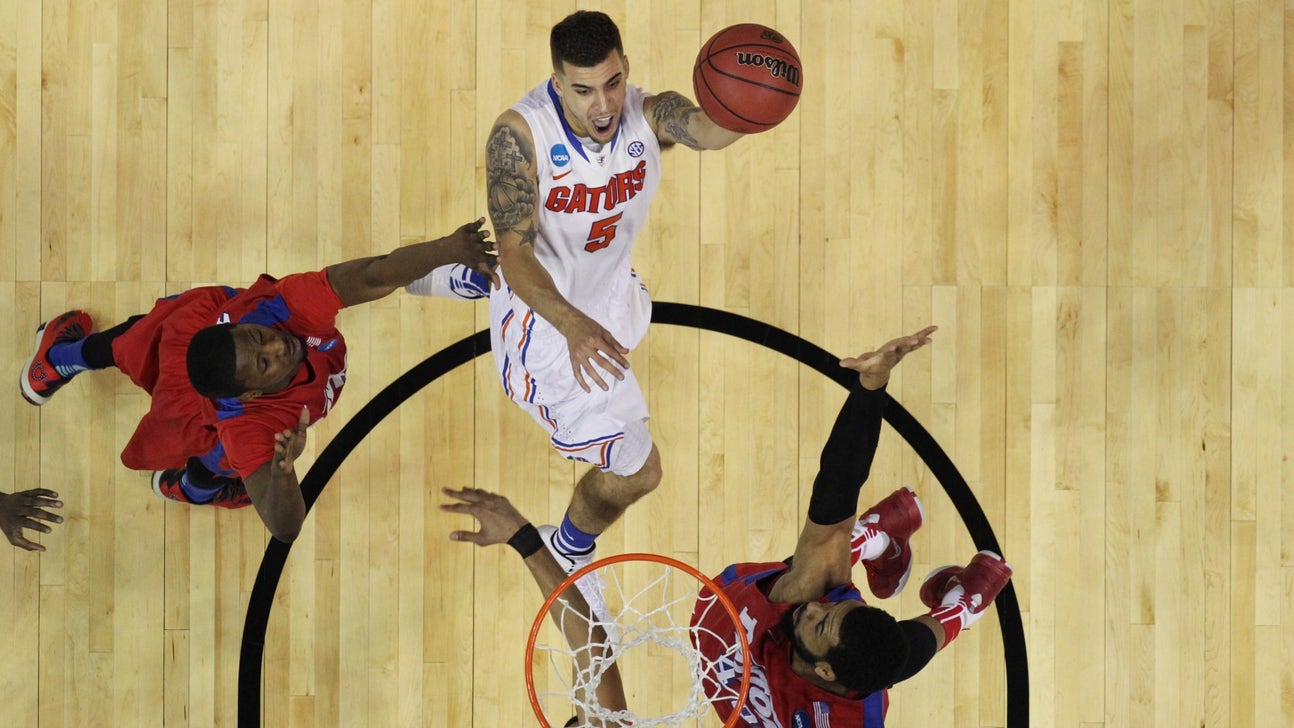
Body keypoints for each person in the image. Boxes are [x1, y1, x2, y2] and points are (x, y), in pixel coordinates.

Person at [443, 326, 1015, 727]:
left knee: (838, 588)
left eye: (822, 620)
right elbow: (836, 486)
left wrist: (523, 538)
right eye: (832, 611)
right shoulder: (811, 606)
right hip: (747, 639)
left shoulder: (828, 667)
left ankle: (881, 534)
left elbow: (593, 655)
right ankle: (966, 597)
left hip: (732, 647)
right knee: (835, 571)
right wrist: (869, 391)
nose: (817, 609)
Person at [407, 10, 761, 585]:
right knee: (641, 470)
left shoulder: (648, 114)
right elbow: (518, 254)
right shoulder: (520, 136)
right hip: (547, 325)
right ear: (557, 82)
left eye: (613, 83)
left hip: (609, 288)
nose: (603, 104)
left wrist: (755, 100)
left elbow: (709, 130)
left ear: (626, 69)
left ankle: (472, 276)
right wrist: (572, 326)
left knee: (552, 278)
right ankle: (568, 546)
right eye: (583, 90)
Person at [14, 220, 496, 545]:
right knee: (204, 433)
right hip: (204, 411)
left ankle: (61, 363)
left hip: (196, 333)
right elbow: (285, 525)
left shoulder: (279, 309)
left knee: (143, 341)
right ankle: (60, 366)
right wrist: (282, 473)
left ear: (242, 325)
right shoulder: (248, 424)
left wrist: (445, 250)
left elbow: (371, 275)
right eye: (265, 363)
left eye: (259, 338)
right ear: (250, 393)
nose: (279, 347)